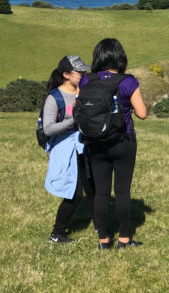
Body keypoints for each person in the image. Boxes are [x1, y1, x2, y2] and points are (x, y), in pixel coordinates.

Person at [81, 38, 147, 250]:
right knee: (122, 191)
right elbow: (142, 114)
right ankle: (125, 239)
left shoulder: (86, 80)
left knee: (101, 192)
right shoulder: (128, 81)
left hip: (95, 141)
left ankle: (103, 241)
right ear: (120, 57)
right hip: (123, 141)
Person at [42, 55, 93, 243]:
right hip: (65, 150)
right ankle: (57, 233)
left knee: (93, 188)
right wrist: (73, 120)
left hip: (86, 146)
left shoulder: (85, 92)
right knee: (74, 193)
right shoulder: (54, 97)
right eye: (78, 71)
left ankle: (100, 227)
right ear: (66, 74)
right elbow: (48, 128)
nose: (82, 74)